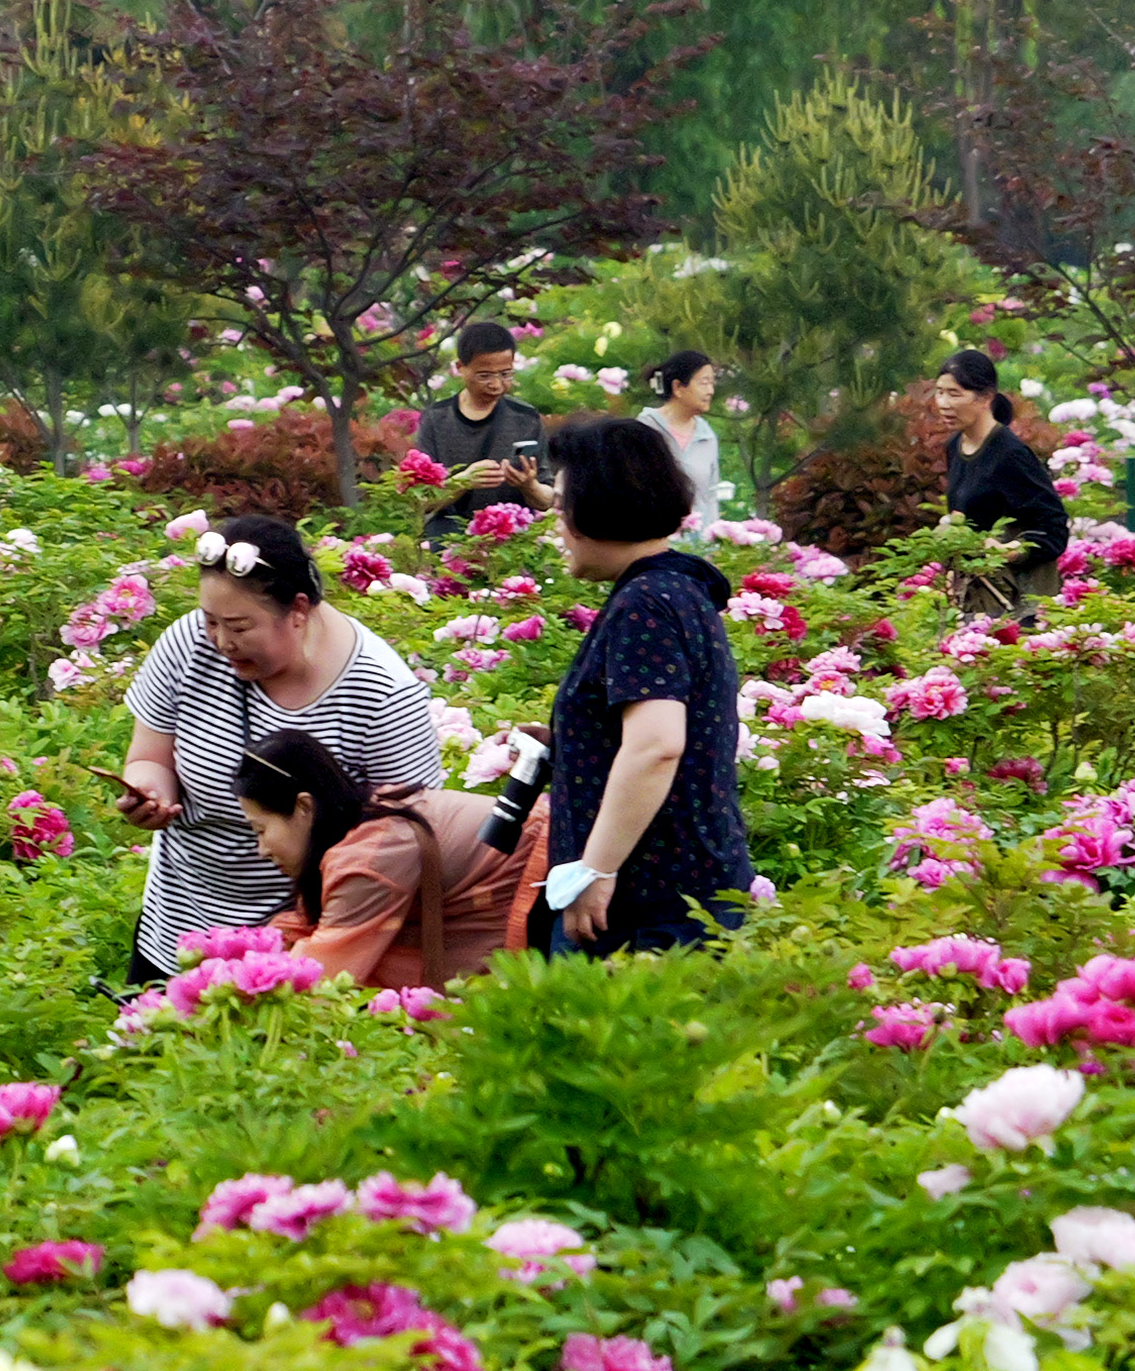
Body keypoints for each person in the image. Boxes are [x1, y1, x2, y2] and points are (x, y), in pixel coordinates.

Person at [114, 514, 442, 979]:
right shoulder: (188, 643)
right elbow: (149, 757)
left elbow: (407, 841)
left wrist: (319, 949)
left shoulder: (381, 693)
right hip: (178, 933)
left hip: (307, 949)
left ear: (299, 610)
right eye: (210, 621)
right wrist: (150, 793)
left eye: (240, 627)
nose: (221, 642)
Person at [541, 414, 753, 955]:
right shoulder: (675, 589)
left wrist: (596, 870)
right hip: (674, 896)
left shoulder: (648, 604)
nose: (555, 521)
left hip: (651, 908)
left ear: (597, 507)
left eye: (563, 505)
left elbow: (657, 745)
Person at [236, 728, 535, 994]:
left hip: (542, 877)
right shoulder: (364, 818)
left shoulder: (368, 858)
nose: (261, 849)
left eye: (260, 829)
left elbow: (319, 975)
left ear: (304, 806)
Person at [932, 352, 1067, 608]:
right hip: (973, 593)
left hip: (1015, 600)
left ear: (985, 398)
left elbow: (1053, 528)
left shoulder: (1010, 454)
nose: (943, 403)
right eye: (939, 392)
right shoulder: (955, 446)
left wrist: (1009, 550)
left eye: (954, 394)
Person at [412, 321, 549, 539]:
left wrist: (529, 485)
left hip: (512, 536)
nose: (496, 385)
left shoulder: (525, 418)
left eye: (506, 374)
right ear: (460, 368)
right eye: (484, 375)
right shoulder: (436, 419)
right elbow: (422, 501)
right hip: (449, 537)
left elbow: (548, 499)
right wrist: (463, 481)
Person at [642, 351, 723, 534]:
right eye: (704, 383)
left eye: (712, 383)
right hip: (654, 541)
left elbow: (710, 497)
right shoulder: (644, 430)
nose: (710, 391)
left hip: (698, 547)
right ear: (678, 387)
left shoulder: (707, 437)